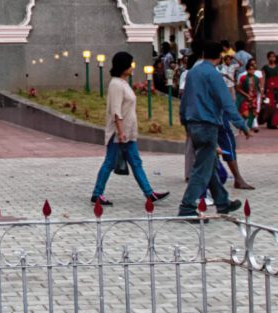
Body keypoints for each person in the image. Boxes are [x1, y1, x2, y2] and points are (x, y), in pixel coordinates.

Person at [178, 41, 249, 219]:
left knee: (209, 165)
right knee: (202, 168)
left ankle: (222, 202)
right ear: (220, 56)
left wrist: (184, 120)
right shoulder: (213, 75)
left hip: (193, 123)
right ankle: (187, 206)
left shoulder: (193, 72)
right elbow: (226, 102)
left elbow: (185, 98)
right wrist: (241, 124)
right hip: (207, 124)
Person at [90, 51, 169, 207]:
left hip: (127, 133)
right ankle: (97, 194)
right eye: (130, 64)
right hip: (119, 133)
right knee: (109, 163)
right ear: (123, 66)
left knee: (136, 162)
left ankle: (149, 193)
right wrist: (120, 132)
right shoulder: (116, 85)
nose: (133, 67)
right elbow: (116, 110)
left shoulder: (123, 83)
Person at [235, 58, 261, 133]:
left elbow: (257, 88)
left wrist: (260, 94)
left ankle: (247, 128)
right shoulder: (243, 78)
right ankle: (241, 127)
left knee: (253, 114)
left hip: (253, 98)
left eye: (253, 70)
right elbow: (238, 88)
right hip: (245, 98)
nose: (251, 71)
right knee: (245, 114)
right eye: (250, 70)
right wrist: (246, 95)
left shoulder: (256, 78)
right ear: (247, 70)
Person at [260, 52, 278, 129]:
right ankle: (268, 121)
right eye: (270, 57)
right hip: (268, 89)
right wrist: (262, 89)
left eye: (273, 57)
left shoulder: (277, 67)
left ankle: (274, 123)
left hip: (277, 89)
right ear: (268, 58)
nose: (272, 58)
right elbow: (263, 78)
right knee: (269, 105)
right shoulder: (265, 68)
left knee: (276, 105)